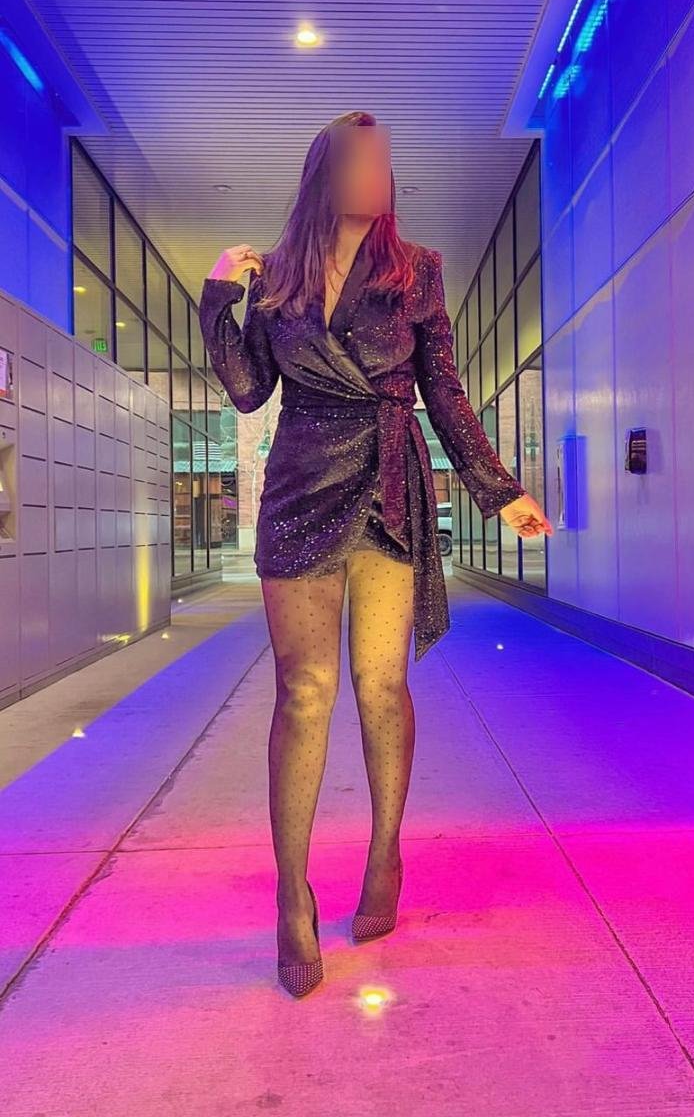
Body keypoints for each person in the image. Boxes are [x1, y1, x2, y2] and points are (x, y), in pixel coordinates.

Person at [199, 110, 552, 999]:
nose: (375, 174)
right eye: (359, 160)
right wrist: (216, 303)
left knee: (380, 687)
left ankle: (385, 851)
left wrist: (498, 488)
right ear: (324, 172)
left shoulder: (417, 270)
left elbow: (445, 392)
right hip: (300, 489)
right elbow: (248, 393)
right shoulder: (276, 276)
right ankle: (291, 895)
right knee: (303, 692)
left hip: (392, 489)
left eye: (384, 161)